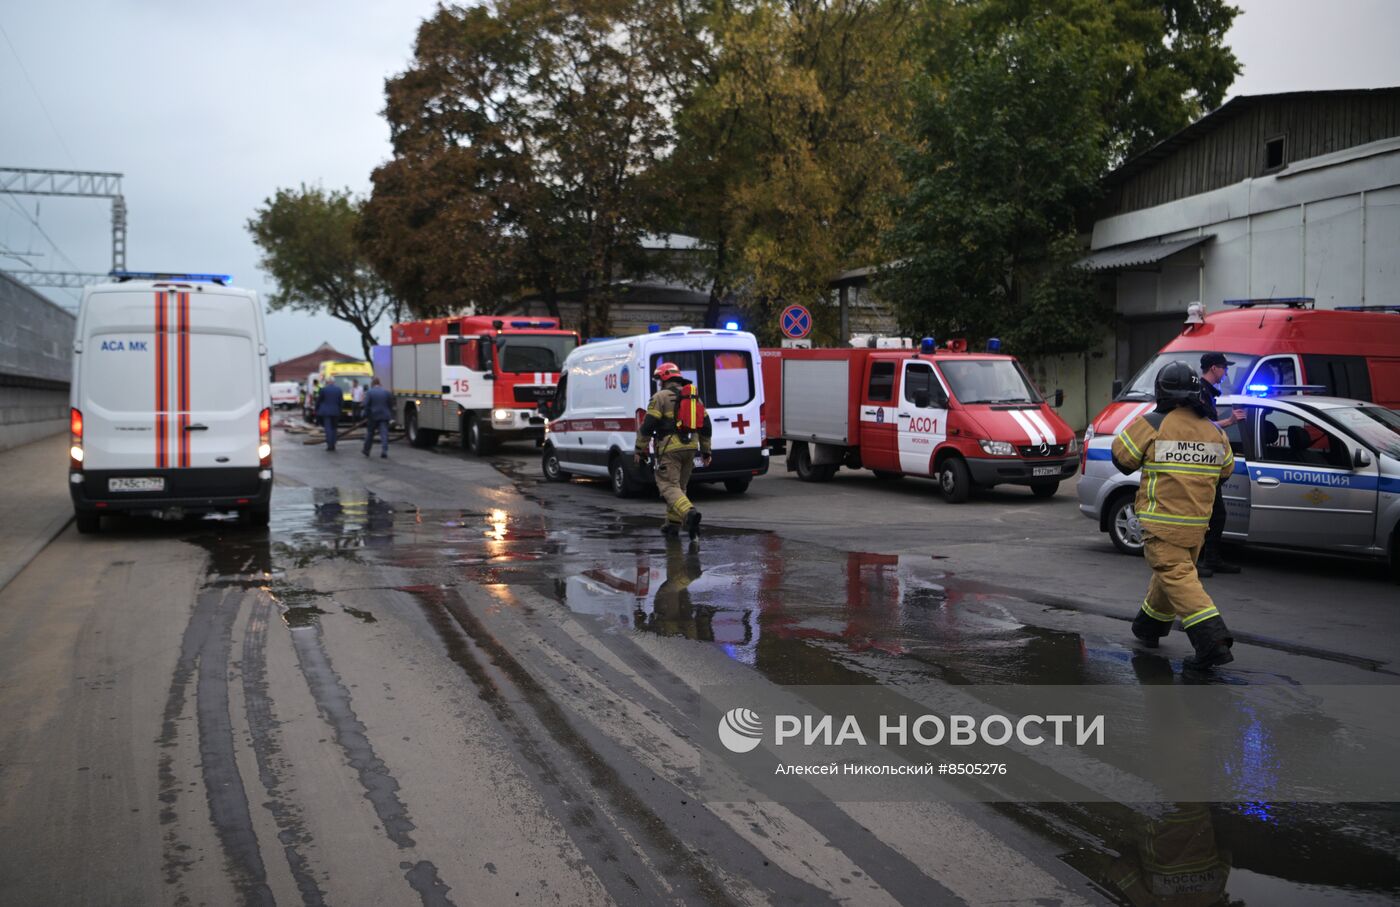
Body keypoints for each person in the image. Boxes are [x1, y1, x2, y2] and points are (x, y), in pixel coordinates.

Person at [1112, 361, 1236, 671]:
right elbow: (1226, 471)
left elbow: (1121, 457)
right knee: (1171, 575)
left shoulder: (1153, 423)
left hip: (1161, 524)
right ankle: (1148, 627)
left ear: (1161, 391)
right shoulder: (1214, 430)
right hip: (1197, 528)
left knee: (1177, 577)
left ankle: (1213, 642)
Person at [635, 362, 713, 537]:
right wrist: (706, 451)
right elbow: (706, 426)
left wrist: (639, 450)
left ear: (664, 379)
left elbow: (647, 426)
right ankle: (673, 524)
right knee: (679, 488)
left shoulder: (660, 397)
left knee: (668, 486)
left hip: (670, 449)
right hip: (691, 447)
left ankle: (689, 514)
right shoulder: (694, 398)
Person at [1196, 352, 1246, 577]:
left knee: (1217, 514)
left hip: (1210, 463)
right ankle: (1200, 561)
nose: (1226, 373)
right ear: (1214, 368)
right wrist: (1231, 421)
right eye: (1224, 368)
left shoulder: (1207, 392)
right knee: (1209, 515)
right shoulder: (1200, 392)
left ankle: (1211, 559)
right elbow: (1201, 426)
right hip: (1201, 465)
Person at [361, 377, 393, 459]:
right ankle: (384, 451)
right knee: (384, 434)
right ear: (379, 383)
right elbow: (390, 404)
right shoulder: (386, 392)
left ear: (372, 384)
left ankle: (366, 450)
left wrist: (366, 414)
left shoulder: (370, 392)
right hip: (384, 416)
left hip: (373, 416)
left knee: (370, 434)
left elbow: (366, 405)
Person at [315, 380, 345, 451]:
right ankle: (333, 443)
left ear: (327, 382)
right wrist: (340, 410)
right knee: (334, 428)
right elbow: (341, 401)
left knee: (328, 428)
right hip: (335, 411)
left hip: (326, 412)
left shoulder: (324, 389)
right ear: (333, 382)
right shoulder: (339, 389)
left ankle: (330, 445)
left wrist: (316, 408)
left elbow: (319, 400)